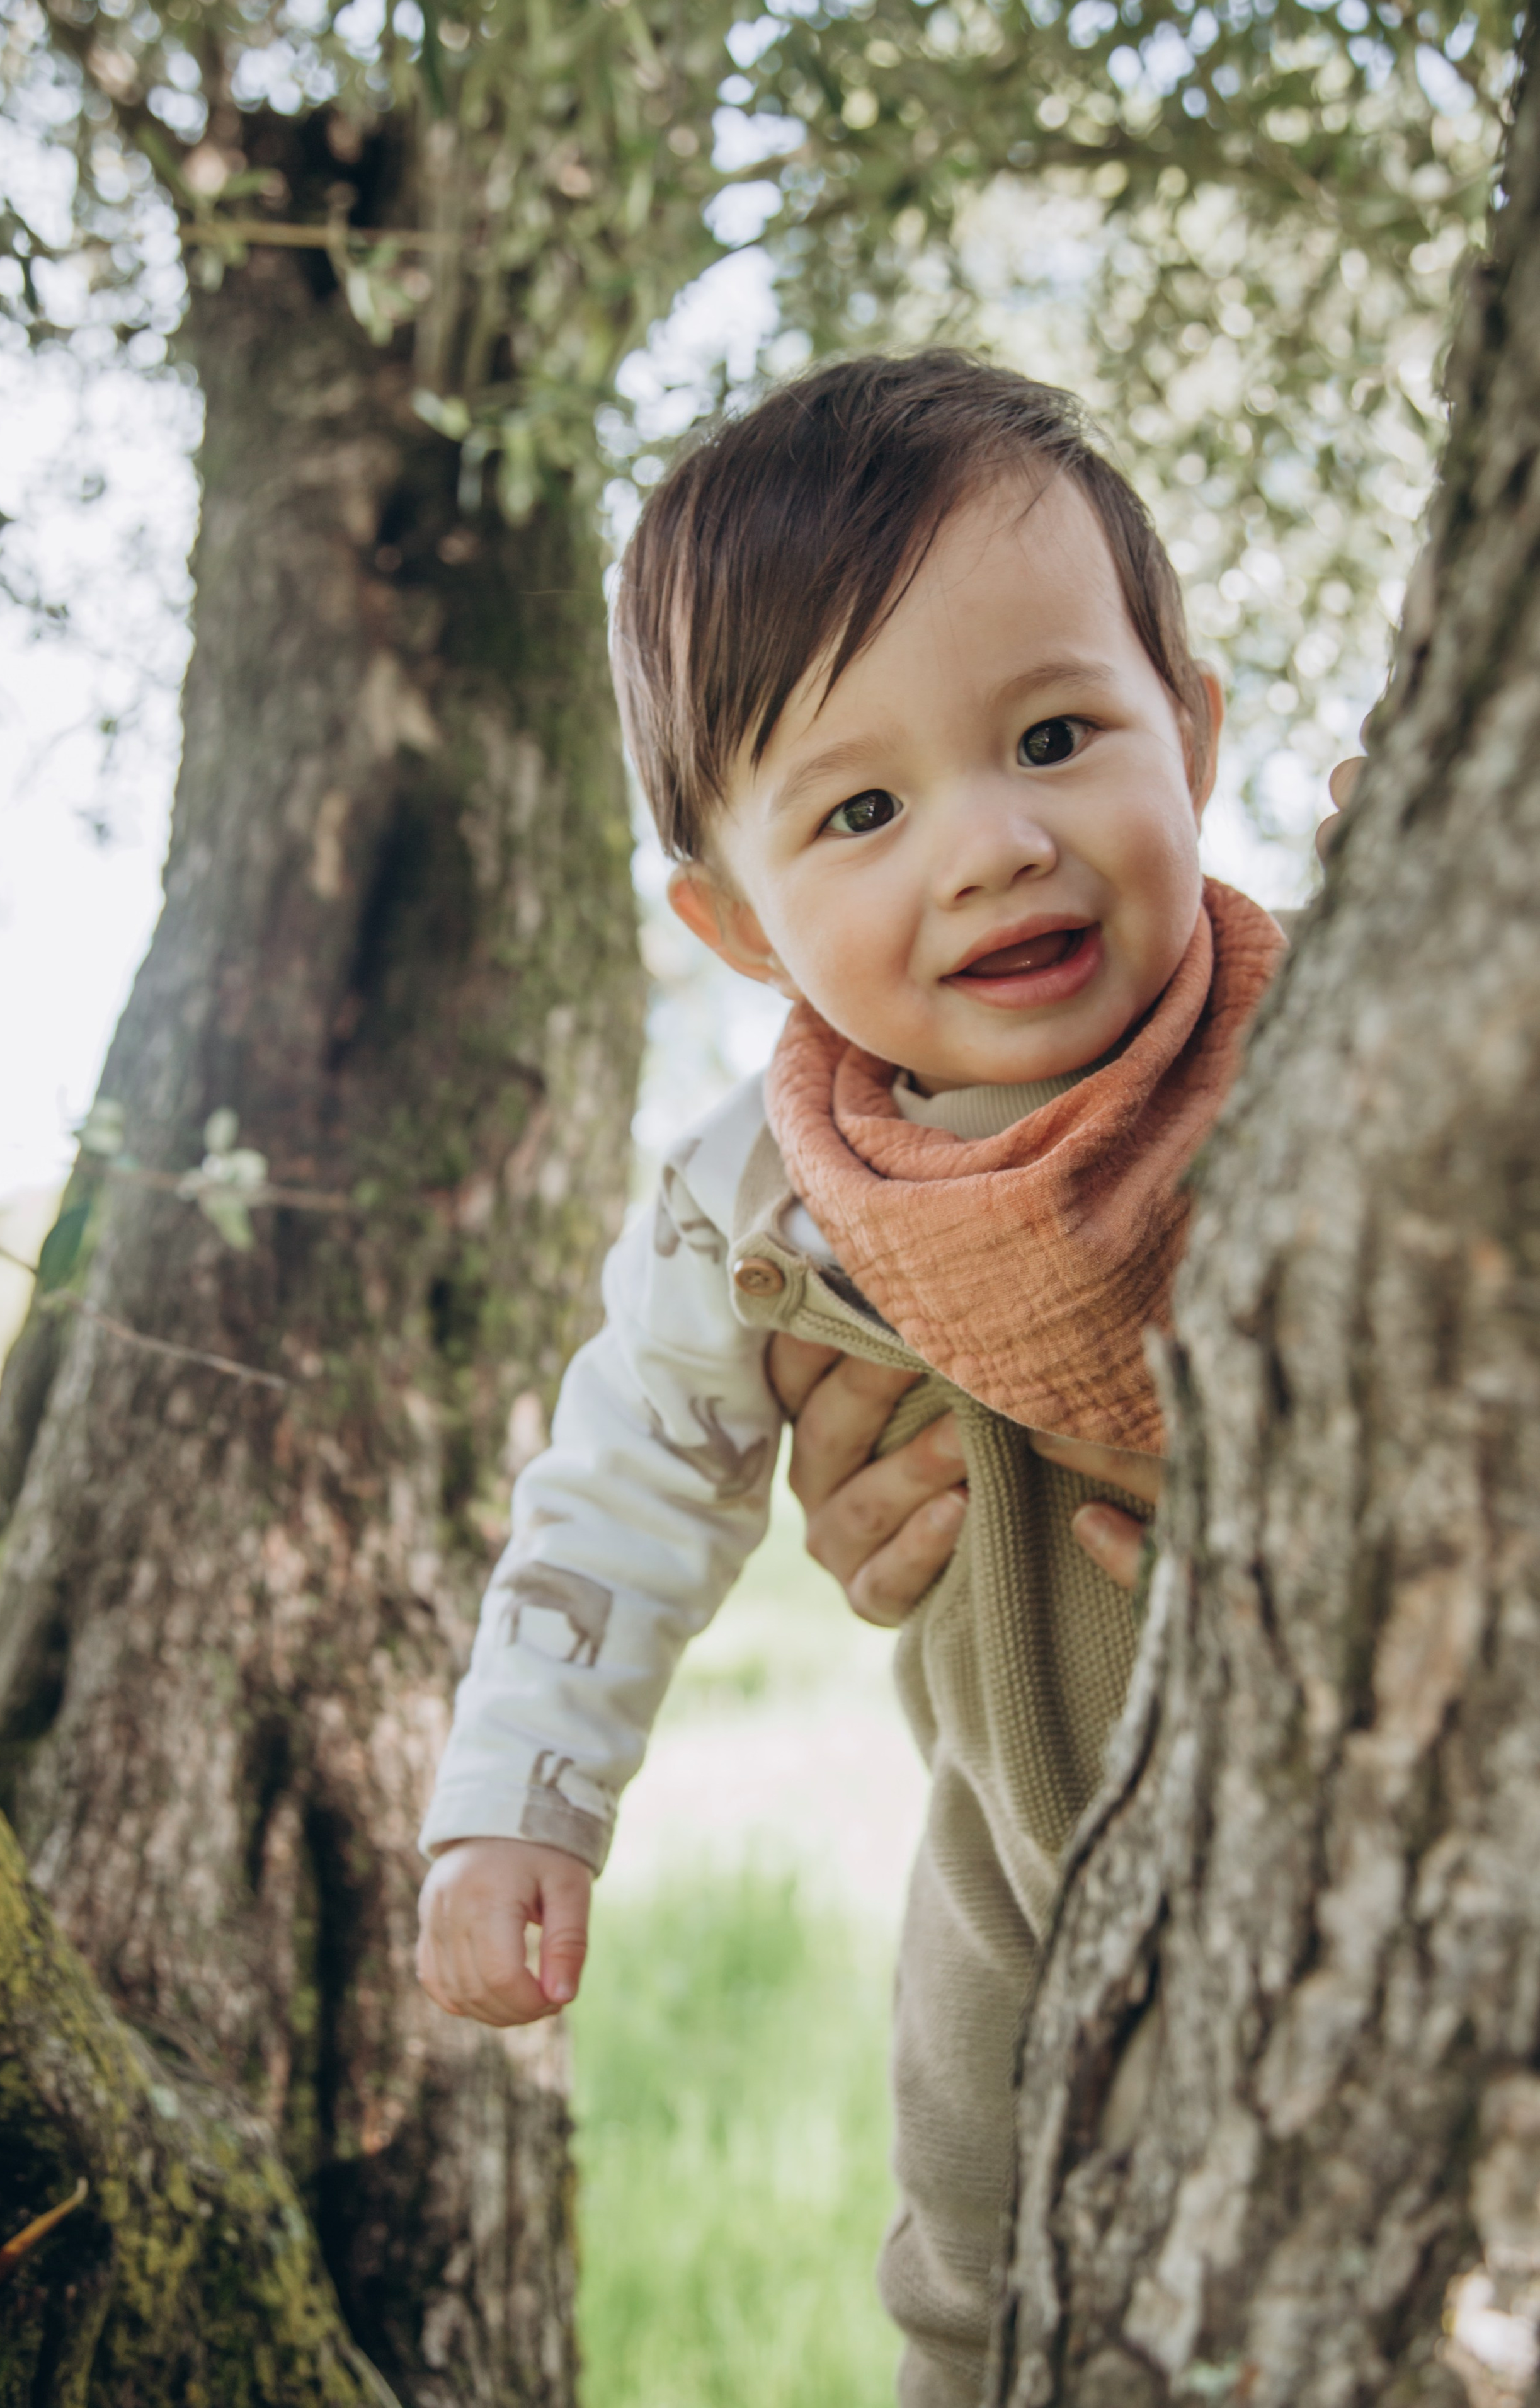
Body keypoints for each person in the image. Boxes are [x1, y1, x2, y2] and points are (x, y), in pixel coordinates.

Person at [416, 350, 1300, 2407]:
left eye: (1060, 735)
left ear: (1199, 734)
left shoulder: (1315, 1054)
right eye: (866, 808)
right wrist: (519, 1810)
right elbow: (621, 1490)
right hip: (1011, 1834)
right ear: (736, 918)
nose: (993, 846)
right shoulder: (760, 1197)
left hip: (1362, 1795)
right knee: (975, 2261)